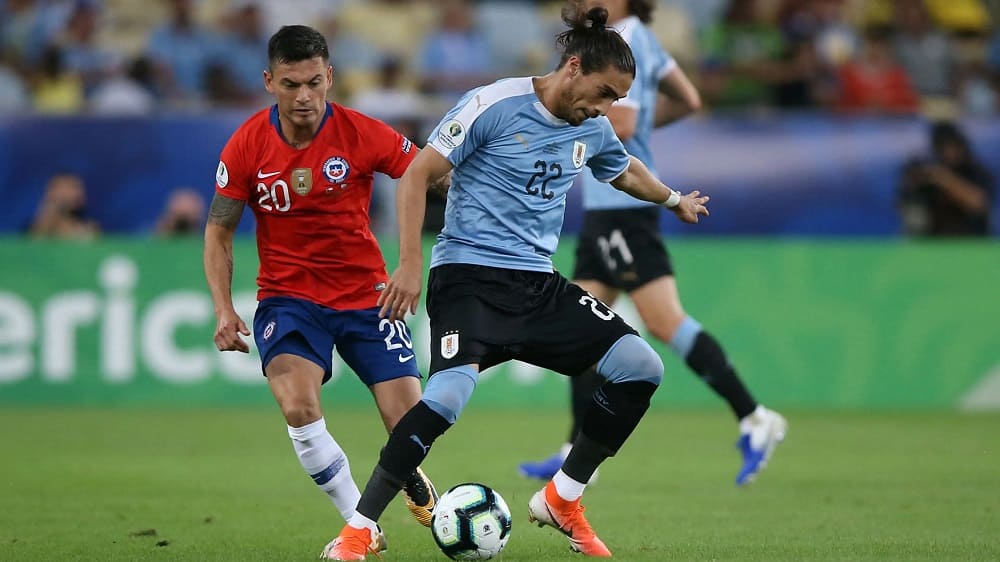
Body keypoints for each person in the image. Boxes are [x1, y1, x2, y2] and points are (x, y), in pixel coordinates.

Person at [324, 7, 710, 560]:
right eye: (602, 93)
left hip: (538, 285)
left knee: (641, 366)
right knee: (448, 399)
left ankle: (563, 498)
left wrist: (674, 199)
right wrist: (409, 264)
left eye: (615, 101)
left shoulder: (593, 126)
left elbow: (622, 168)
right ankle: (357, 531)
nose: (605, 110)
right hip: (468, 278)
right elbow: (416, 176)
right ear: (572, 66)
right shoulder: (494, 104)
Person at [520, 0, 788, 489]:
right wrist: (634, 128)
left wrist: (603, 128)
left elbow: (621, 125)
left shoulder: (626, 41)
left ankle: (755, 417)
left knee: (664, 321)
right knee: (585, 323)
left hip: (625, 204)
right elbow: (688, 99)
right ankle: (574, 448)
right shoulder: (638, 37)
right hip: (609, 208)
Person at [202, 25, 444, 557]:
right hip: (288, 300)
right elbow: (219, 229)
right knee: (297, 406)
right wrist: (223, 306)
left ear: (330, 76)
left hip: (367, 294)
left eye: (314, 82)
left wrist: (411, 259)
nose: (305, 96)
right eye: (291, 84)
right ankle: (362, 524)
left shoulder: (362, 132)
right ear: (270, 82)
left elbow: (430, 174)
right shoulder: (246, 144)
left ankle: (408, 474)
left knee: (409, 422)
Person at [898, 121, 994, 237]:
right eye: (944, 147)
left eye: (954, 145)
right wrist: (914, 183)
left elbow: (978, 203)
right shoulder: (928, 171)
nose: (950, 151)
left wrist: (945, 179)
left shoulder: (976, 172)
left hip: (972, 242)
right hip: (934, 243)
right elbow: (906, 208)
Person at [30, 172, 100, 239]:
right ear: (48, 193)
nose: (65, 192)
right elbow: (35, 242)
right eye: (60, 187)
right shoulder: (38, 229)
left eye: (73, 187)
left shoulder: (90, 228)